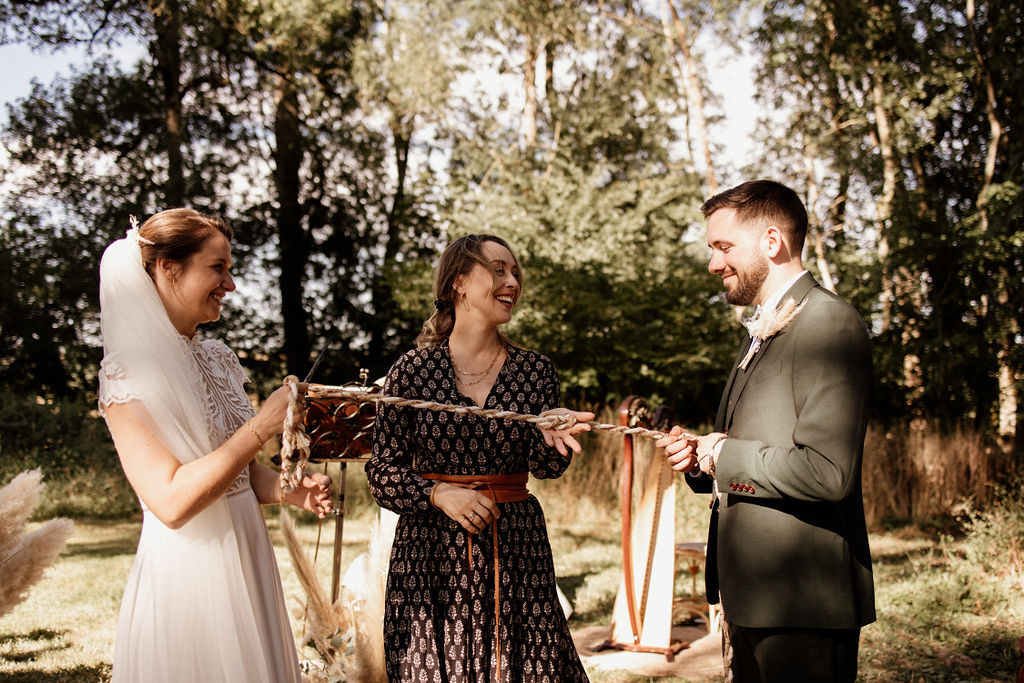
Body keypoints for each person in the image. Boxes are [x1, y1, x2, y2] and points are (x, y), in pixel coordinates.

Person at [97, 208, 334, 682]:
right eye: (217, 267)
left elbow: (239, 474)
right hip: (190, 573)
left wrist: (287, 489)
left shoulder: (219, 359)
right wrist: (262, 426)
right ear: (169, 268)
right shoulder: (124, 376)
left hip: (247, 552)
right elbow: (171, 502)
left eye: (230, 269)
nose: (230, 284)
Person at [657, 180, 875, 682]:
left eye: (723, 247)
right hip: (751, 596)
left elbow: (827, 473)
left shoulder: (828, 323)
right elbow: (750, 445)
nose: (714, 264)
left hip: (803, 604)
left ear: (772, 242)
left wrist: (724, 455)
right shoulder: (764, 327)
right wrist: (700, 458)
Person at [365, 234, 594, 683]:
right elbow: (381, 474)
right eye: (498, 269)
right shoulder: (411, 370)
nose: (511, 282)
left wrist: (552, 434)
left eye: (514, 272)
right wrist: (438, 493)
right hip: (429, 556)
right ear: (459, 283)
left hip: (515, 550)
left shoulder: (535, 371)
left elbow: (547, 469)